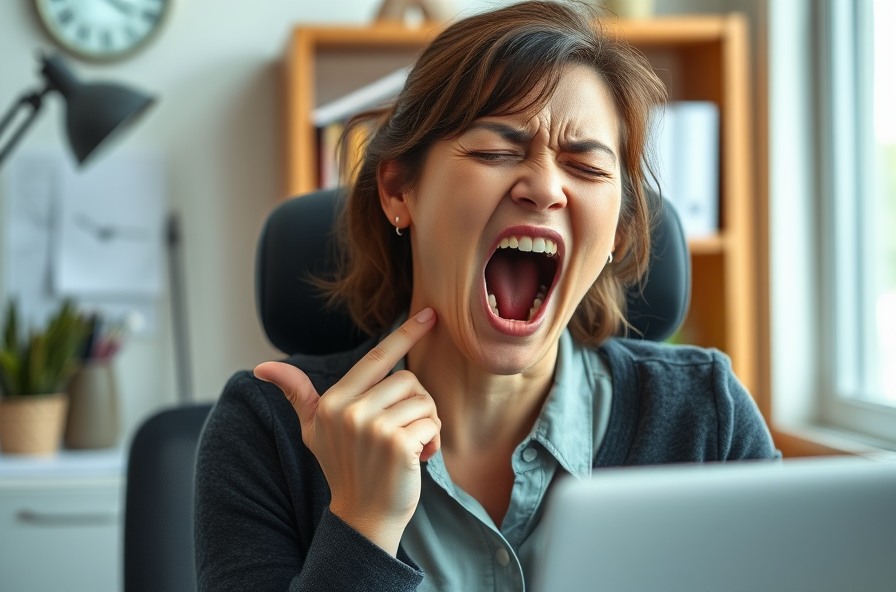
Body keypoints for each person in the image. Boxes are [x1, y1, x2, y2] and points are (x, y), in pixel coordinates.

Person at [194, 2, 780, 591]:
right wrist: (362, 522)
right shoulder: (266, 431)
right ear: (399, 190)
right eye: (496, 152)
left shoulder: (708, 419)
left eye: (586, 167)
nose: (546, 188)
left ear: (619, 232)